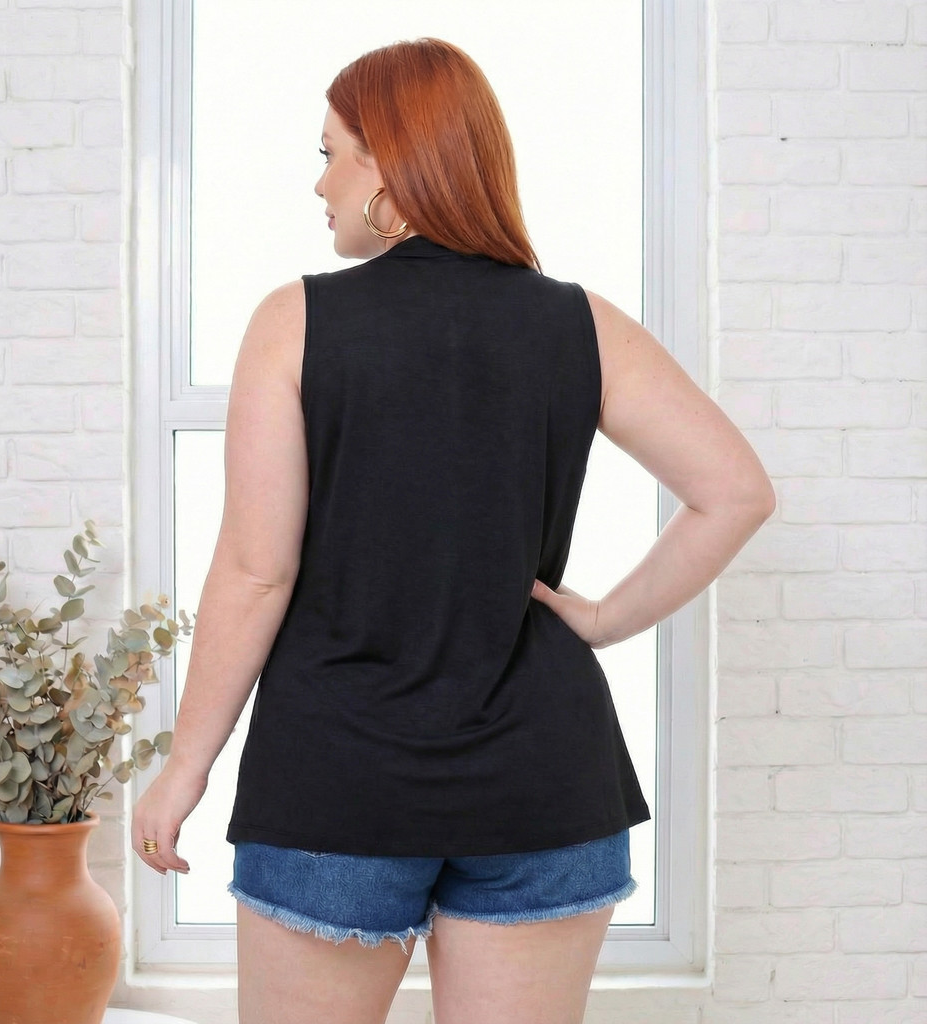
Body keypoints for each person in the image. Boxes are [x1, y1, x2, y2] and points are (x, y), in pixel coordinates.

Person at [131, 36, 775, 1024]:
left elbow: (258, 572)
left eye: (330, 155)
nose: (319, 185)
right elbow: (734, 491)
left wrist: (186, 765)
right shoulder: (581, 323)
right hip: (542, 776)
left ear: (387, 166)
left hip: (335, 781)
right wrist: (600, 621)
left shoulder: (293, 322)